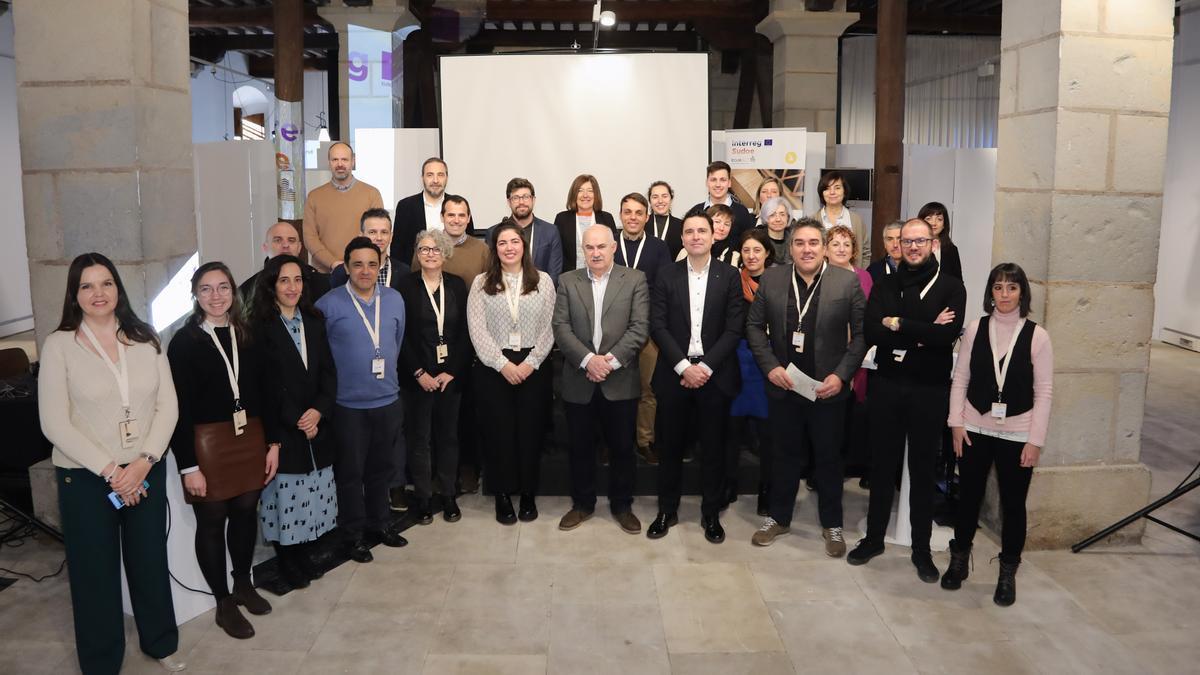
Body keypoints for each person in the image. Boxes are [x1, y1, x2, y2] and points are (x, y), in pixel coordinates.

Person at [39, 253, 186, 674]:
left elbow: (168, 407)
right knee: (94, 574)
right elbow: (53, 422)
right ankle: (102, 663)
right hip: (86, 478)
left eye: (105, 283)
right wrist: (112, 472)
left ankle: (160, 642)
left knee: (149, 562)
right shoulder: (59, 345)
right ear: (75, 294)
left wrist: (143, 461)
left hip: (144, 469)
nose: (97, 293)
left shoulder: (145, 337)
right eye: (86, 286)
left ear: (118, 288)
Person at [848, 219, 966, 582]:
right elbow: (871, 330)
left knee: (922, 470)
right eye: (906, 241)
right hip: (887, 385)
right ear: (897, 244)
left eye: (920, 240)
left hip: (928, 391)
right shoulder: (885, 283)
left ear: (933, 244)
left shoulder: (951, 287)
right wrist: (922, 329)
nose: (912, 246)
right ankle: (873, 539)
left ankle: (921, 549)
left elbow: (946, 336)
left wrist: (900, 323)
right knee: (882, 466)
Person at [169, 262, 279, 639]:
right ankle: (223, 602)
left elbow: (267, 393)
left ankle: (243, 584)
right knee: (212, 520)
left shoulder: (247, 333)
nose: (216, 296)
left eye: (223, 288)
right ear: (195, 296)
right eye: (206, 289)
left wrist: (273, 443)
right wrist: (188, 467)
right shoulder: (184, 342)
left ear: (233, 291)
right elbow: (177, 408)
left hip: (249, 435)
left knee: (247, 512)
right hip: (208, 443)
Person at [746, 221, 866, 556]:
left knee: (828, 459)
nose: (807, 249)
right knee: (784, 456)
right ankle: (779, 518)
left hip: (827, 390)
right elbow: (754, 327)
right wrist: (770, 367)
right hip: (785, 386)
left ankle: (832, 524)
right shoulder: (772, 278)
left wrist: (841, 375)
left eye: (814, 242)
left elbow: (861, 335)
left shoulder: (847, 281)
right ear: (791, 248)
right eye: (799, 243)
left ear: (825, 247)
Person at [942, 263, 1053, 606]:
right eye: (998, 287)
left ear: (1022, 293)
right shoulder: (976, 328)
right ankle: (959, 559)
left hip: (1017, 433)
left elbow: (1044, 392)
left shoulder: (1038, 335)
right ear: (990, 292)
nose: (1004, 295)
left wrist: (1035, 441)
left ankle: (1008, 572)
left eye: (1012, 288)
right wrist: (956, 423)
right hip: (975, 427)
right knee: (969, 498)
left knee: (1013, 505)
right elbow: (960, 378)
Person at [647, 210, 744, 543]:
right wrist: (683, 367)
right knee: (670, 446)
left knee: (713, 450)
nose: (696, 236)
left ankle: (710, 514)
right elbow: (657, 325)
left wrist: (704, 368)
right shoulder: (665, 274)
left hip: (714, 376)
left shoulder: (730, 275)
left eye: (702, 230)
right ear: (683, 238)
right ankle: (667, 510)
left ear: (714, 235)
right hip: (675, 374)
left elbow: (734, 329)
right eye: (689, 231)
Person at [247, 255, 338, 591]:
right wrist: (297, 418)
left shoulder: (314, 320)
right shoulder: (259, 328)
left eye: (297, 280)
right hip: (283, 428)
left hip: (316, 423)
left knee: (313, 494)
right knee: (287, 500)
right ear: (271, 284)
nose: (292, 287)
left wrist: (320, 410)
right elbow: (264, 386)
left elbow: (329, 371)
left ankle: (305, 555)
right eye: (284, 280)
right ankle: (288, 560)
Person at [315, 238, 409, 563]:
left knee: (382, 469)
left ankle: (380, 525)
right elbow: (322, 359)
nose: (365, 271)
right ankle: (353, 535)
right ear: (346, 267)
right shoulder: (328, 305)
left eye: (372, 264)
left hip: (388, 401)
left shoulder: (395, 300)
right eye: (357, 264)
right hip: (348, 406)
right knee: (351, 474)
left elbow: (397, 342)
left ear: (381, 266)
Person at [552, 225, 650, 534]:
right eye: (589, 247)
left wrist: (606, 362)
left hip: (619, 379)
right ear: (583, 250)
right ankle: (582, 503)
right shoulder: (568, 281)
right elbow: (561, 327)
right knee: (580, 447)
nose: (595, 253)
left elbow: (639, 328)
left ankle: (622, 505)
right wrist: (587, 361)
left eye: (601, 247)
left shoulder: (635, 279)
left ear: (613, 248)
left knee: (622, 448)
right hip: (579, 379)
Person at [466, 221, 556, 524]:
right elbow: (477, 332)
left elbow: (550, 327)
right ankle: (502, 494)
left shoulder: (543, 281)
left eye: (514, 241)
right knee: (498, 433)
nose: (509, 248)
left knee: (530, 432)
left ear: (524, 245)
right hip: (494, 369)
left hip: (534, 366)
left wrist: (530, 363)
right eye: (502, 243)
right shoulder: (480, 283)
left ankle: (528, 492)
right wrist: (503, 364)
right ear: (495, 248)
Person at [398, 230, 472, 524]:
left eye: (435, 249)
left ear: (445, 253)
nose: (430, 254)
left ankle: (449, 494)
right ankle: (424, 498)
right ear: (417, 253)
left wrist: (450, 371)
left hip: (449, 378)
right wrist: (419, 372)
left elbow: (466, 332)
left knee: (448, 438)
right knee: (420, 439)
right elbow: (400, 334)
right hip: (417, 377)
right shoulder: (405, 286)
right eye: (423, 249)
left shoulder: (457, 285)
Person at [613, 193, 671, 465]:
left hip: (647, 329)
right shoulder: (610, 244)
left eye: (638, 212)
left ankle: (644, 441)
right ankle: (614, 441)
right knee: (614, 387)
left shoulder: (658, 248)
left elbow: (663, 289)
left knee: (647, 388)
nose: (633, 217)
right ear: (620, 215)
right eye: (628, 212)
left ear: (647, 217)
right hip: (612, 330)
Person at [728, 229, 776, 516]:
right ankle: (728, 485)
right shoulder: (733, 281)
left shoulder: (779, 281)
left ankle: (767, 493)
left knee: (769, 437)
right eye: (746, 250)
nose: (751, 255)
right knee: (730, 432)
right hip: (736, 362)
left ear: (767, 252)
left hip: (767, 364)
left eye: (757, 250)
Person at [826, 224, 875, 480]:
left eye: (847, 244)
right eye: (835, 244)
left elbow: (870, 314)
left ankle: (849, 464)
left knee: (855, 410)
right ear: (826, 249)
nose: (842, 248)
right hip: (829, 352)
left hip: (859, 351)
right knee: (828, 413)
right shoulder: (821, 275)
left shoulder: (864, 277)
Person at [302, 142, 385, 273]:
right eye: (335, 159)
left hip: (362, 272)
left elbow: (378, 234)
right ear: (329, 162)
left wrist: (357, 263)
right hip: (325, 273)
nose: (340, 164)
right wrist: (333, 263)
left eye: (344, 159)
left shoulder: (371, 194)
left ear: (353, 161)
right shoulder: (314, 197)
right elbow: (309, 237)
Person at [239, 220, 331, 303]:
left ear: (299, 248)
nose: (286, 245)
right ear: (265, 247)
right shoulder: (248, 291)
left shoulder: (322, 283)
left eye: (291, 240)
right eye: (278, 240)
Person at [496, 177, 563, 284]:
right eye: (516, 198)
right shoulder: (495, 233)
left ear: (533, 200)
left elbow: (554, 274)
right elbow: (493, 271)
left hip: (540, 294)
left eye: (526, 197)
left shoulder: (550, 231)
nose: (521, 202)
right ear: (509, 202)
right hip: (505, 295)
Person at [412, 194, 489, 284]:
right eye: (451, 215)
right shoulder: (425, 247)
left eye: (461, 215)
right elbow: (414, 282)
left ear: (468, 218)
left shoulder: (483, 250)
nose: (456, 220)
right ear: (442, 217)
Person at [554, 173, 618, 274]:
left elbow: (613, 252)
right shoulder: (562, 219)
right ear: (574, 194)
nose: (585, 195)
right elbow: (557, 254)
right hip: (571, 279)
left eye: (590, 191)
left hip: (602, 276)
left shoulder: (606, 218)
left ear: (596, 195)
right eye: (580, 191)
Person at [331, 208, 408, 291]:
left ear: (391, 237)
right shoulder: (342, 272)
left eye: (384, 232)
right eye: (372, 232)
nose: (379, 238)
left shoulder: (404, 272)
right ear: (361, 235)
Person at [393, 157, 451, 265]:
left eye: (440, 175)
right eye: (430, 175)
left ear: (447, 178)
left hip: (452, 273)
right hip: (415, 275)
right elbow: (398, 249)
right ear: (422, 178)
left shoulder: (458, 205)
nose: (435, 180)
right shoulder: (405, 206)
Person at [816, 171, 869, 268]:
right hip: (821, 278)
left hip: (851, 278)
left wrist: (860, 274)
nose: (832, 192)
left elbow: (865, 252)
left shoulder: (856, 220)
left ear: (844, 192)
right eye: (827, 189)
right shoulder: (813, 221)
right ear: (822, 193)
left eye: (837, 188)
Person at [690, 161, 755, 241]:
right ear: (707, 183)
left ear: (729, 183)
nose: (718, 184)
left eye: (722, 180)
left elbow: (748, 243)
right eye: (713, 180)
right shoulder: (696, 211)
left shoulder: (741, 212)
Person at [918, 201, 963, 281]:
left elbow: (958, 281)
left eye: (939, 219)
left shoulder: (951, 250)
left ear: (944, 225)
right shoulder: (913, 247)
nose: (933, 223)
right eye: (929, 219)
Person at [647, 180, 684, 259]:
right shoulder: (642, 224)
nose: (660, 201)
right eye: (655, 197)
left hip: (673, 270)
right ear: (649, 201)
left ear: (671, 199)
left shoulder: (681, 225)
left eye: (664, 196)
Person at [758, 197, 793, 265]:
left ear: (788, 218)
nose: (778, 219)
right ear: (765, 217)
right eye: (772, 215)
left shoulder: (794, 240)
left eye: (782, 214)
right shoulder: (758, 240)